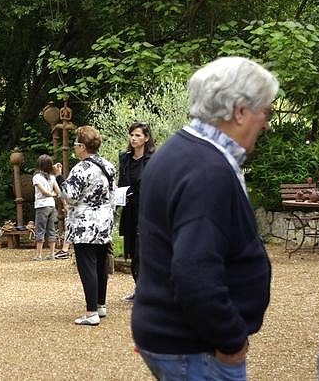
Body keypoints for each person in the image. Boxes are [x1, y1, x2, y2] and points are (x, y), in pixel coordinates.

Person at [131, 57, 278, 380]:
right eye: (264, 111)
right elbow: (194, 273)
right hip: (196, 347)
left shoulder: (177, 151)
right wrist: (231, 340)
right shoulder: (207, 170)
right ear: (239, 111)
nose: (266, 123)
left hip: (173, 336)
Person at [54, 125, 116, 326]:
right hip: (104, 220)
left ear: (82, 146)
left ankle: (91, 313)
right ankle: (100, 305)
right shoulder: (108, 165)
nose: (74, 147)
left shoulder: (81, 168)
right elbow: (112, 193)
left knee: (87, 266)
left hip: (84, 224)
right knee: (100, 264)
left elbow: (70, 196)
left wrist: (59, 178)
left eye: (75, 144)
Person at [118, 121, 155, 302]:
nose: (133, 138)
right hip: (130, 209)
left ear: (146, 138)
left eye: (138, 135)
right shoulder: (124, 159)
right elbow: (120, 183)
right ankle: (139, 287)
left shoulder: (153, 159)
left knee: (143, 249)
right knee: (132, 248)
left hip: (147, 211)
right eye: (132, 135)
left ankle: (146, 289)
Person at [32, 154, 63, 261]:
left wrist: (51, 194)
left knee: (40, 229)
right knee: (51, 229)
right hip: (51, 206)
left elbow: (44, 192)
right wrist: (55, 195)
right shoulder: (52, 177)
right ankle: (52, 254)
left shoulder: (36, 177)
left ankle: (39, 255)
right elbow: (59, 192)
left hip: (41, 206)